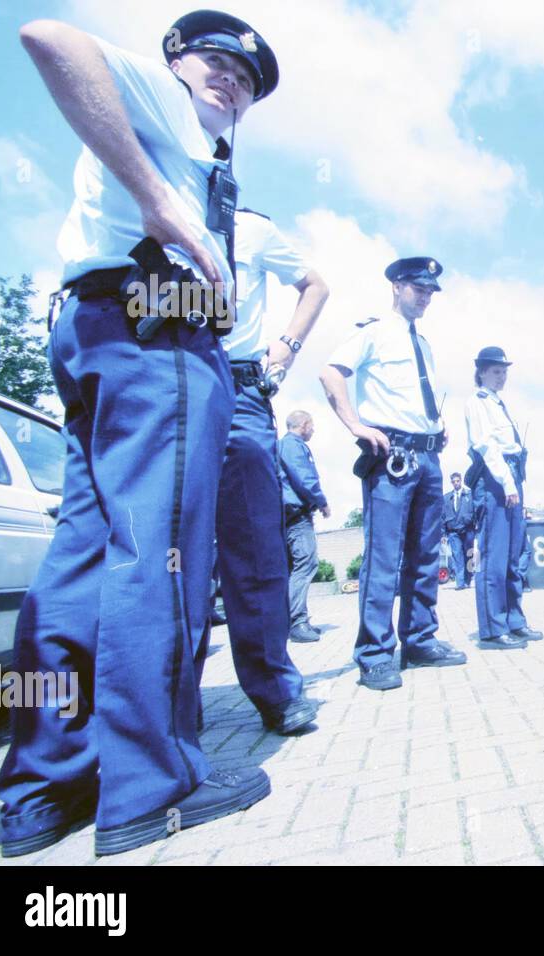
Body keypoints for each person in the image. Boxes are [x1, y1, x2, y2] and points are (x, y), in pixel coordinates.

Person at [0, 10, 279, 858]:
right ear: (175, 59)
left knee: (83, 556)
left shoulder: (185, 129)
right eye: (217, 62)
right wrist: (161, 202)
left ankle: (45, 791)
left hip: (97, 328)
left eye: (249, 80)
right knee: (158, 555)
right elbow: (49, 38)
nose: (232, 82)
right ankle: (148, 791)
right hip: (158, 329)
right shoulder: (162, 99)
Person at [319, 256, 467, 691]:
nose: (425, 297)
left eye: (430, 291)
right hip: (392, 456)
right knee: (383, 558)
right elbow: (330, 374)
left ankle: (419, 640)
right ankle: (375, 653)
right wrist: (356, 426)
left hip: (428, 457)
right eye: (418, 288)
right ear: (396, 287)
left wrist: (437, 426)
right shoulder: (372, 333)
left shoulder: (425, 344)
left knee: (425, 556)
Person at [207, 204, 328, 732]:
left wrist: (287, 347)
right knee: (177, 550)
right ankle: (175, 703)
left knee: (255, 547)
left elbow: (316, 285)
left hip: (237, 385)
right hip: (166, 373)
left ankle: (275, 690)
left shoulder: (248, 226)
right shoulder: (148, 200)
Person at [464, 347, 543, 648]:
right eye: (496, 371)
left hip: (510, 477)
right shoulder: (477, 402)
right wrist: (508, 483)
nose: (502, 376)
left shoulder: (497, 403)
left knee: (513, 554)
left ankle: (515, 621)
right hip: (495, 480)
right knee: (494, 556)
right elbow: (485, 445)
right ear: (482, 372)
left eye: (504, 371)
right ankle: (494, 629)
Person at [279, 410, 331, 642]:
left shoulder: (284, 445)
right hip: (297, 515)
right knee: (306, 563)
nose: (314, 430)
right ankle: (297, 622)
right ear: (305, 424)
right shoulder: (292, 445)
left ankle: (292, 621)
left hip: (288, 514)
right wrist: (322, 502)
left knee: (294, 568)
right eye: (312, 425)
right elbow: (303, 477)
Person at [443, 471, 476, 590]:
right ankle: (460, 582)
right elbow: (442, 516)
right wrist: (443, 533)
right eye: (454, 481)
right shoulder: (446, 498)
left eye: (458, 481)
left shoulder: (469, 495)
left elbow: (475, 511)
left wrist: (473, 523)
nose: (456, 483)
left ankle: (468, 579)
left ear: (461, 481)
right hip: (453, 532)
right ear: (451, 482)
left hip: (468, 530)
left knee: (469, 554)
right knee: (457, 556)